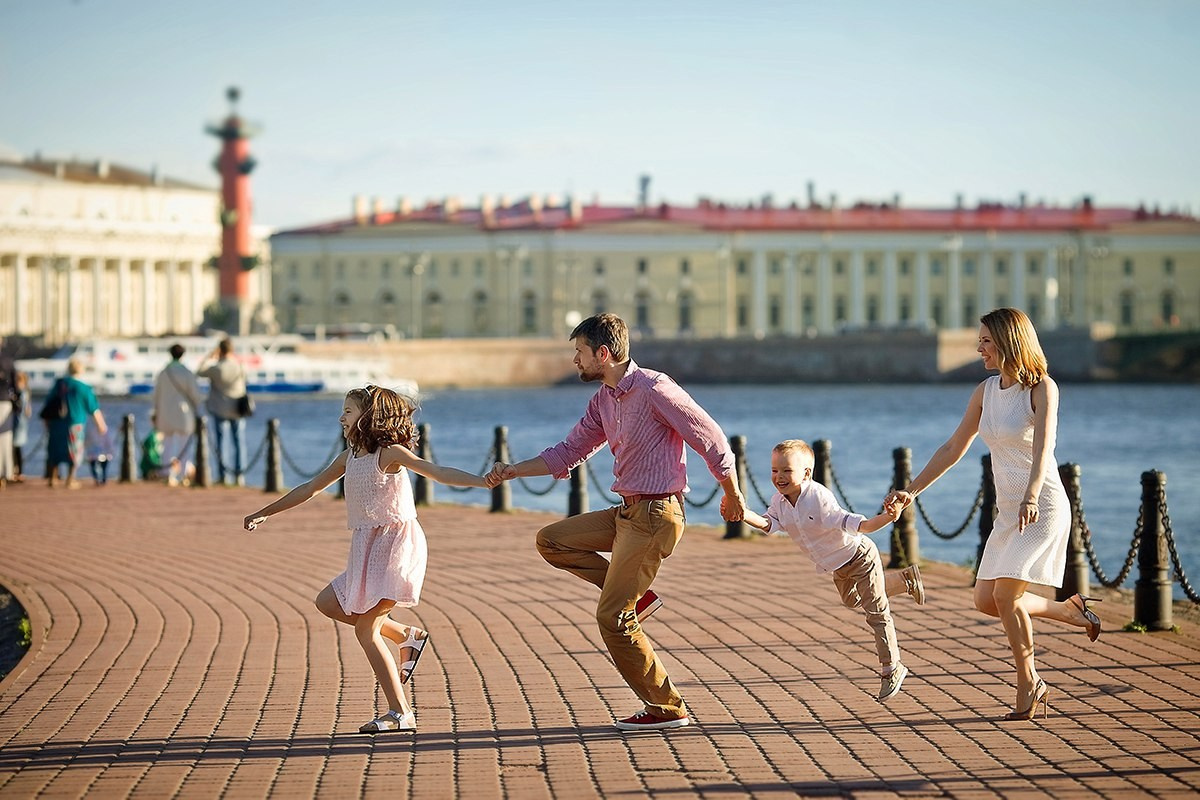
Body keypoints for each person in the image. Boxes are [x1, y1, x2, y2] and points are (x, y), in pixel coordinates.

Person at [485, 313, 747, 732]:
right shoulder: (604, 399)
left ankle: (666, 706)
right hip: (626, 512)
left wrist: (732, 494)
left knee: (612, 617)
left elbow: (711, 438)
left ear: (603, 354)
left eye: (580, 353)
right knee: (552, 540)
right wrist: (513, 470)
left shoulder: (656, 389)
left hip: (657, 515)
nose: (575, 361)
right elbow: (568, 451)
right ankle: (637, 599)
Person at [885, 308, 1101, 721]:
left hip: (1041, 507)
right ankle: (1068, 610)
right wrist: (910, 492)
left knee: (1006, 596)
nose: (978, 347)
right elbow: (953, 448)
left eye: (985, 340)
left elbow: (1043, 451)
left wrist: (1032, 495)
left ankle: (1029, 682)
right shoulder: (985, 391)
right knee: (987, 600)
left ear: (1008, 341)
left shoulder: (1042, 389)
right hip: (1008, 512)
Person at [243, 385, 487, 733]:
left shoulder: (388, 454)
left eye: (348, 411)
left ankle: (400, 713)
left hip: (396, 544)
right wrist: (265, 512)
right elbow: (308, 489)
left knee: (366, 629)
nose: (341, 417)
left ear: (369, 416)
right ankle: (406, 635)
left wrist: (483, 481)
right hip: (366, 545)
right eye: (342, 410)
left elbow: (436, 471)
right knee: (328, 603)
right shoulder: (349, 457)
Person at [729, 439, 925, 702]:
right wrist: (743, 513)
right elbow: (769, 524)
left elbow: (861, 525)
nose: (779, 477)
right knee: (853, 600)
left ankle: (892, 667)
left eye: (787, 470)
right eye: (775, 470)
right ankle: (905, 581)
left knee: (876, 612)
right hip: (837, 567)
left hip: (860, 556)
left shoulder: (818, 498)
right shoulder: (779, 501)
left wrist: (889, 517)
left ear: (806, 473)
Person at [42, 358, 107, 489]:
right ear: (81, 370)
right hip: (75, 423)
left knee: (54, 450)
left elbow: (48, 403)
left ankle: (52, 478)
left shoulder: (59, 384)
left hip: (56, 423)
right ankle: (70, 479)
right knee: (74, 451)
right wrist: (101, 425)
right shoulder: (83, 387)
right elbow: (93, 408)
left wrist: (46, 422)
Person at [198, 338, 249, 486]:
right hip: (238, 408)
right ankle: (240, 477)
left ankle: (223, 476)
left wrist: (209, 356)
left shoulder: (216, 368)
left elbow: (199, 372)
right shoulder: (239, 366)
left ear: (220, 350)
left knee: (221, 443)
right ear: (232, 350)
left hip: (220, 408)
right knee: (239, 443)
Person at [152, 343, 204, 487]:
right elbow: (195, 395)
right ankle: (182, 476)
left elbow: (156, 395)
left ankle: (167, 474)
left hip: (166, 413)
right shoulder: (187, 373)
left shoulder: (163, 372)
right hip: (184, 414)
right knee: (183, 446)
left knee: (166, 444)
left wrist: (156, 412)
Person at [11, 371, 32, 483]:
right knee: (16, 449)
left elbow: (24, 411)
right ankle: (17, 471)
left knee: (15, 449)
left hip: (18, 425)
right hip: (19, 424)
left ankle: (17, 472)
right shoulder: (24, 393)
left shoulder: (21, 394)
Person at [0, 336, 15, 489]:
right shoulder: (7, 359)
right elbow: (14, 381)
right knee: (5, 438)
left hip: (4, 400)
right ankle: (6, 472)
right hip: (4, 401)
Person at [85, 418, 115, 486]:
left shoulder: (94, 431)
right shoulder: (94, 431)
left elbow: (110, 444)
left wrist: (110, 452)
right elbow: (87, 443)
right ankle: (99, 479)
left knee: (101, 467)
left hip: (102, 454)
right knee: (97, 466)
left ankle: (100, 479)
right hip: (96, 454)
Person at [140, 416, 164, 481]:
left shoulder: (155, 435)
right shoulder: (153, 437)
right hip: (150, 466)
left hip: (150, 465)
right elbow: (150, 453)